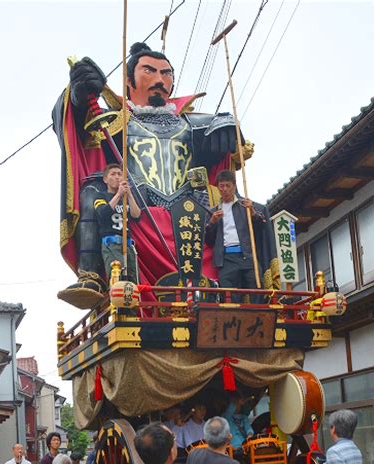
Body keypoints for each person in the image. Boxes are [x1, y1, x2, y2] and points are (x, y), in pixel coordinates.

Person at [54, 42, 246, 308]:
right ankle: (91, 275)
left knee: (237, 207)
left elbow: (226, 158)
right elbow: (77, 129)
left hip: (190, 217)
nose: (159, 80)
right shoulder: (114, 121)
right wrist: (77, 98)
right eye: (149, 71)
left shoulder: (196, 123)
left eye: (166, 73)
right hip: (137, 212)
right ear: (128, 80)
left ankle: (245, 281)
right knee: (91, 190)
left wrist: (228, 124)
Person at [205, 169, 277, 298]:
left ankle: (257, 316)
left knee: (256, 287)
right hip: (226, 259)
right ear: (218, 188)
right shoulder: (213, 212)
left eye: (228, 185)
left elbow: (262, 227)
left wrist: (253, 213)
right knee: (228, 294)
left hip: (247, 255)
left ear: (234, 186)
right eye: (221, 186)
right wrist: (211, 223)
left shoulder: (246, 205)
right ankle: (231, 317)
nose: (225, 189)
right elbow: (209, 241)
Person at [94, 163, 141, 282]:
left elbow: (137, 215)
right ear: (105, 179)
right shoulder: (100, 196)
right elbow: (102, 213)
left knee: (132, 281)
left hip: (128, 244)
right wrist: (118, 194)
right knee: (117, 277)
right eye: (113, 174)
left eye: (120, 174)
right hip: (111, 244)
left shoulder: (125, 198)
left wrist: (129, 195)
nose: (117, 177)